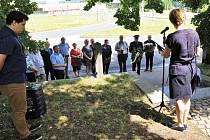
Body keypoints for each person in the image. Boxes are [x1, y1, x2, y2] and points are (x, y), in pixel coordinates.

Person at [0, 11, 42, 140]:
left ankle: (22, 126)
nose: (24, 28)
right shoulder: (7, 37)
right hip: (12, 80)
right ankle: (25, 135)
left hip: (14, 78)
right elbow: (0, 59)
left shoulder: (10, 35)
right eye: (22, 24)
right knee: (20, 109)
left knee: (17, 108)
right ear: (14, 22)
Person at [161, 9, 200, 131]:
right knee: (187, 97)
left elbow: (166, 55)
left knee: (178, 98)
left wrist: (162, 53)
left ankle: (179, 124)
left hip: (177, 71)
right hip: (192, 69)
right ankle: (184, 122)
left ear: (172, 21)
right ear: (184, 18)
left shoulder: (171, 37)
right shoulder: (194, 33)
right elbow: (197, 53)